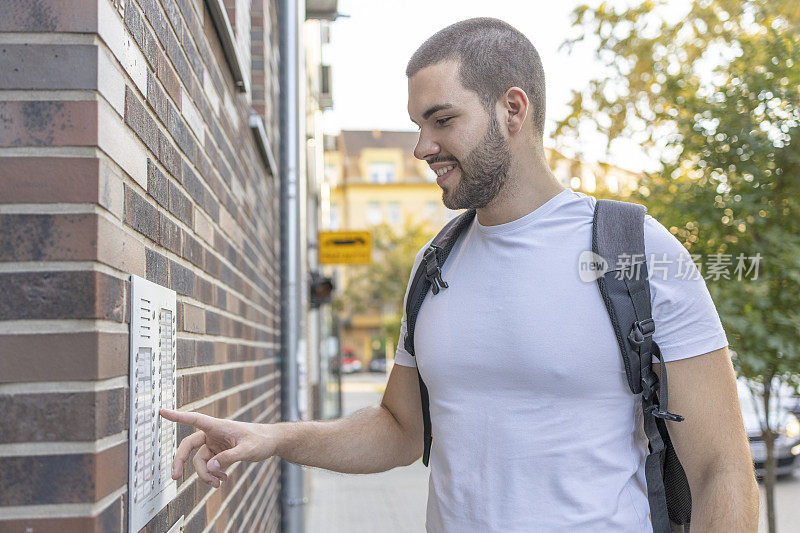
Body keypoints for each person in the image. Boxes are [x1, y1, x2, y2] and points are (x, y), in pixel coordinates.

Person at [160, 17, 759, 532]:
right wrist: (276, 439)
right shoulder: (434, 264)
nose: (422, 147)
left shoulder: (636, 250)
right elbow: (399, 429)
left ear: (512, 110)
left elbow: (721, 471)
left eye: (442, 119)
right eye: (418, 124)